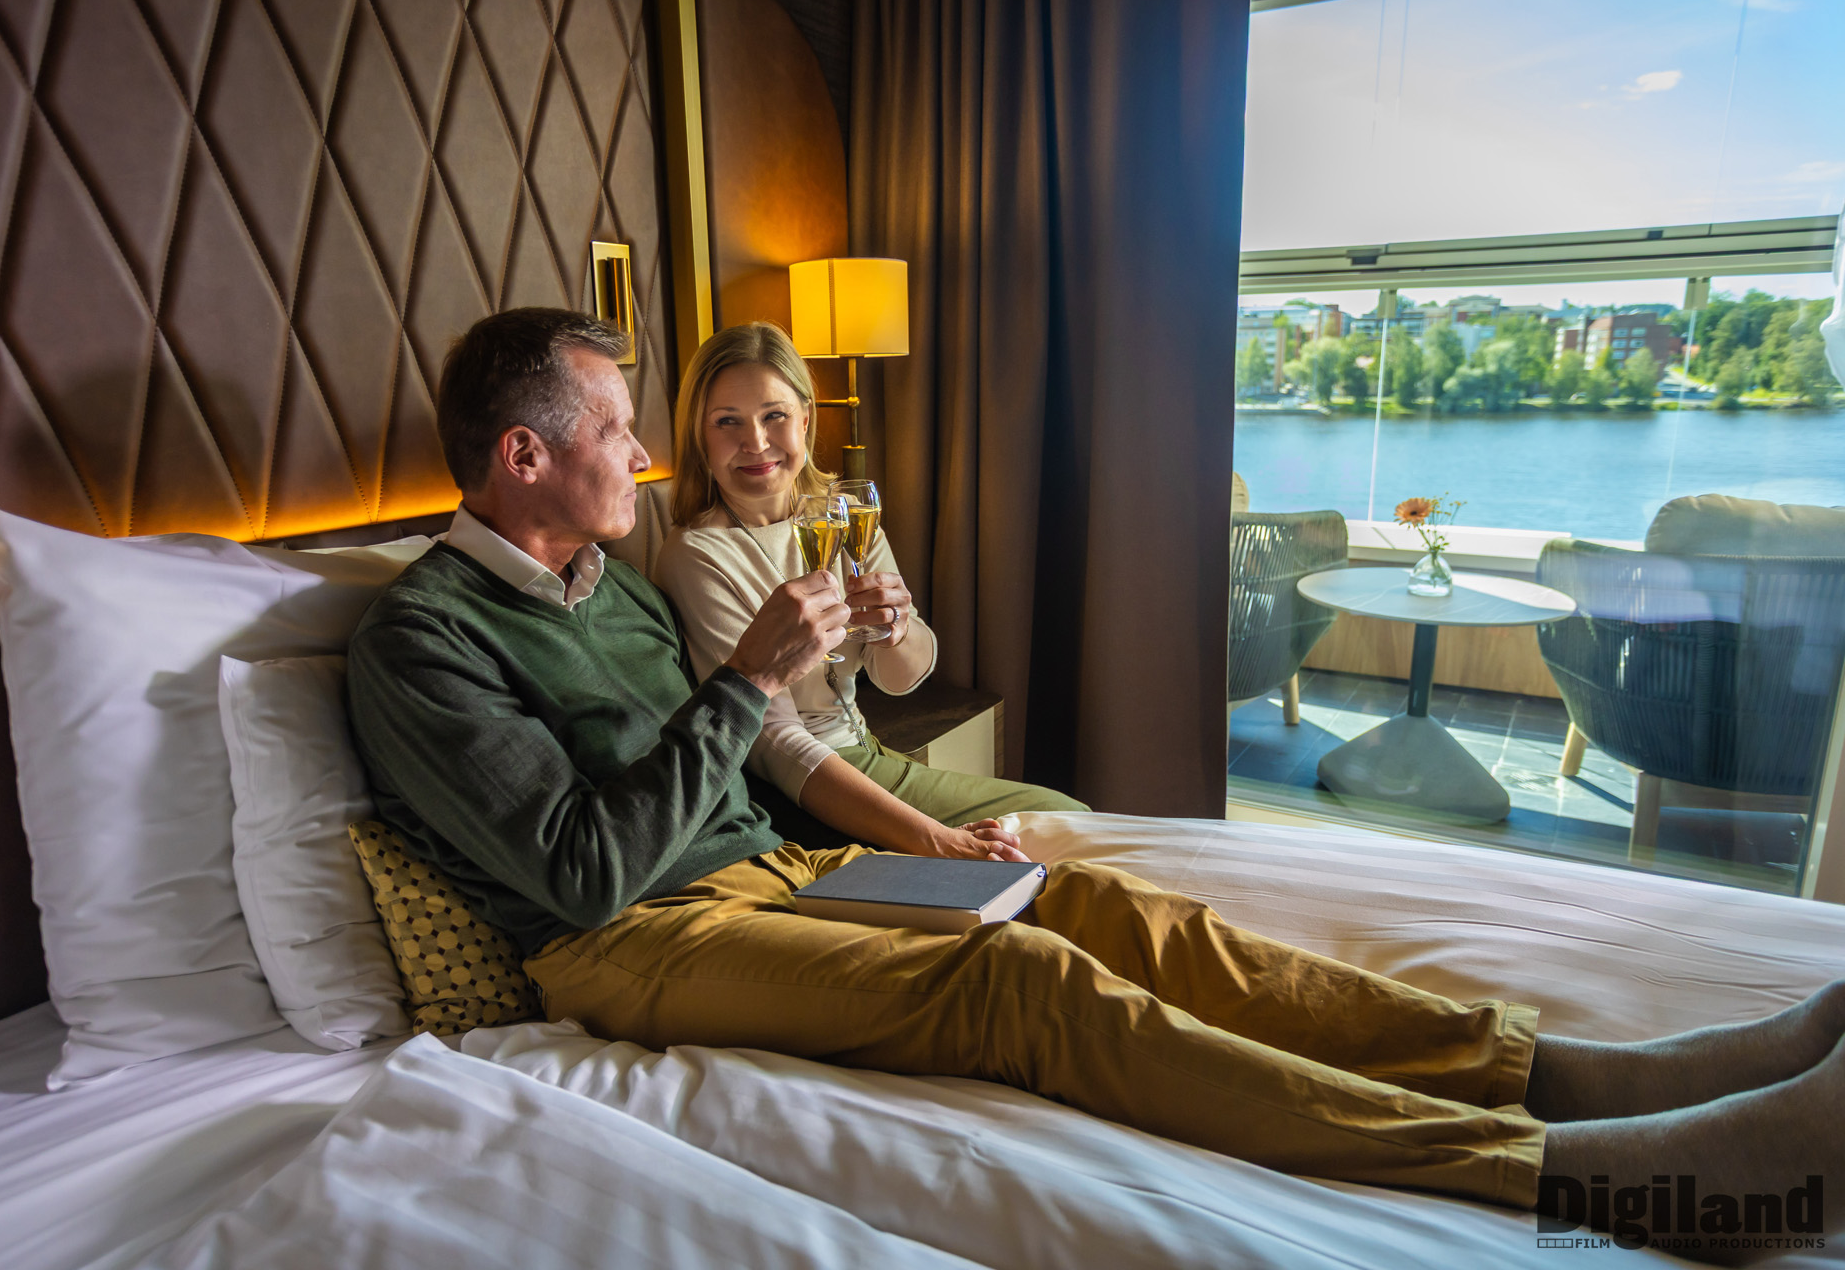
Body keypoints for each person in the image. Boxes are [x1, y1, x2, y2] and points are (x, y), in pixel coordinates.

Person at [346, 308, 1843, 1260]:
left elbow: (801, 731)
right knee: (1026, 984)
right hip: (635, 939)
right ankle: (1566, 1172)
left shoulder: (608, 582)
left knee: (1100, 906)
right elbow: (583, 869)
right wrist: (744, 683)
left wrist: (824, 728)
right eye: (618, 427)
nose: (646, 451)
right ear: (527, 455)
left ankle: (1572, 1074)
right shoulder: (419, 638)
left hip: (788, 872)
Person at [652, 322, 1082, 864]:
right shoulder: (698, 555)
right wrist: (933, 838)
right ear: (699, 434)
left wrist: (896, 629)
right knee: (1061, 828)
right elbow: (772, 743)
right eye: (727, 421)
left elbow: (901, 681)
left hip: (868, 751)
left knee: (1067, 823)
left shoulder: (845, 518)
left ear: (806, 418)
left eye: (774, 415)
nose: (756, 442)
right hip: (799, 789)